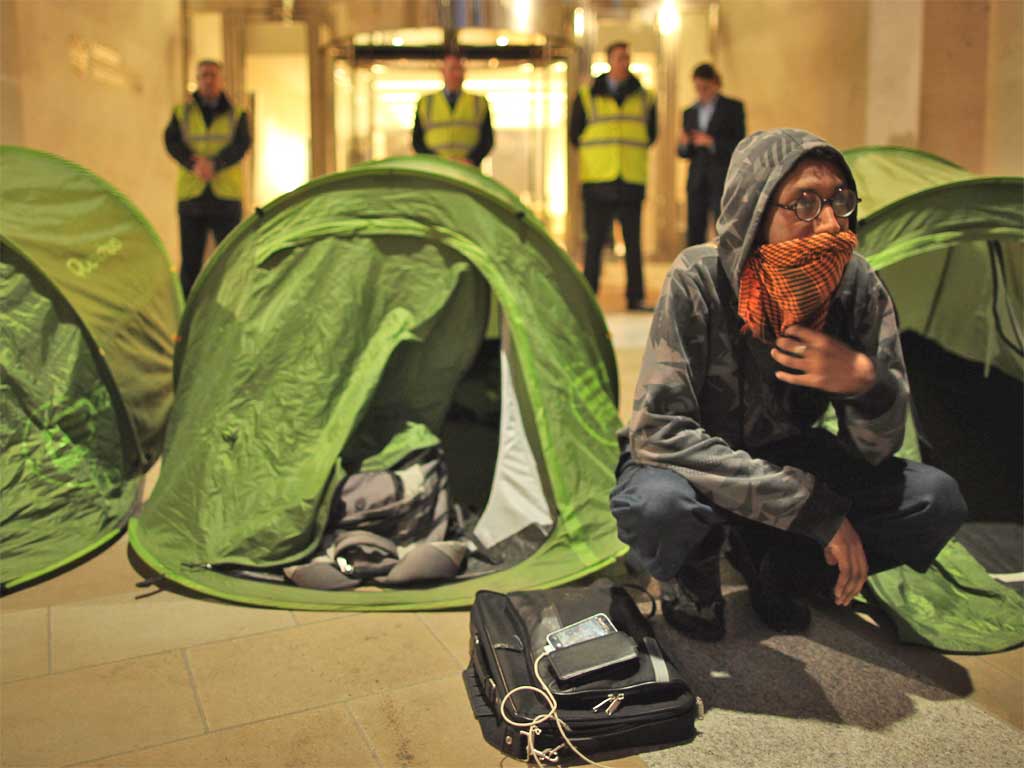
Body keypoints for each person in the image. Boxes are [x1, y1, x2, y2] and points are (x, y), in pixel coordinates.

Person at [611, 128, 966, 641]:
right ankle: (696, 570)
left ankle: (782, 567)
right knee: (658, 505)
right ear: (755, 209)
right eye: (803, 202)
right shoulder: (700, 277)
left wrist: (865, 386)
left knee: (934, 499)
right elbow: (657, 434)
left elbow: (876, 453)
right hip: (696, 466)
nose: (827, 223)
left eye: (839, 200)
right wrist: (811, 509)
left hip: (788, 452)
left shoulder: (855, 284)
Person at [569, 41, 657, 311]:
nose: (625, 62)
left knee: (633, 243)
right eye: (620, 58)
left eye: (627, 58)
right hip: (598, 180)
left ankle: (635, 296)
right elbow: (574, 134)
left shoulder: (645, 97)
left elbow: (651, 134)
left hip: (630, 179)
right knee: (594, 242)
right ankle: (588, 297)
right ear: (609, 61)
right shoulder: (586, 96)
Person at [164, 59, 251, 298]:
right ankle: (188, 320)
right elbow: (171, 142)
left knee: (230, 260)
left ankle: (232, 306)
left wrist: (216, 164)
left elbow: (242, 144)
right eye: (203, 75)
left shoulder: (237, 114)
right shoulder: (182, 112)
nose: (208, 80)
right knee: (190, 264)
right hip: (192, 196)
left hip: (226, 197)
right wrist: (194, 163)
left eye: (213, 75)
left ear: (222, 80)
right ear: (197, 79)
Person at [678, 63, 745, 246]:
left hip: (721, 176)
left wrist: (712, 143)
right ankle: (693, 270)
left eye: (705, 87)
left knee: (722, 226)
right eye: (697, 88)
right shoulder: (689, 112)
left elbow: (740, 144)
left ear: (715, 84)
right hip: (697, 178)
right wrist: (684, 144)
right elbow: (684, 153)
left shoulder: (732, 108)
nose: (701, 92)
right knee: (695, 228)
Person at [412, 53, 493, 167]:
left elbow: (487, 140)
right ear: (443, 72)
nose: (457, 74)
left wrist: (471, 160)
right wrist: (434, 160)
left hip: (468, 169)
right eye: (452, 69)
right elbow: (417, 141)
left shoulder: (479, 102)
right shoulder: (426, 102)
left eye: (460, 69)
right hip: (435, 169)